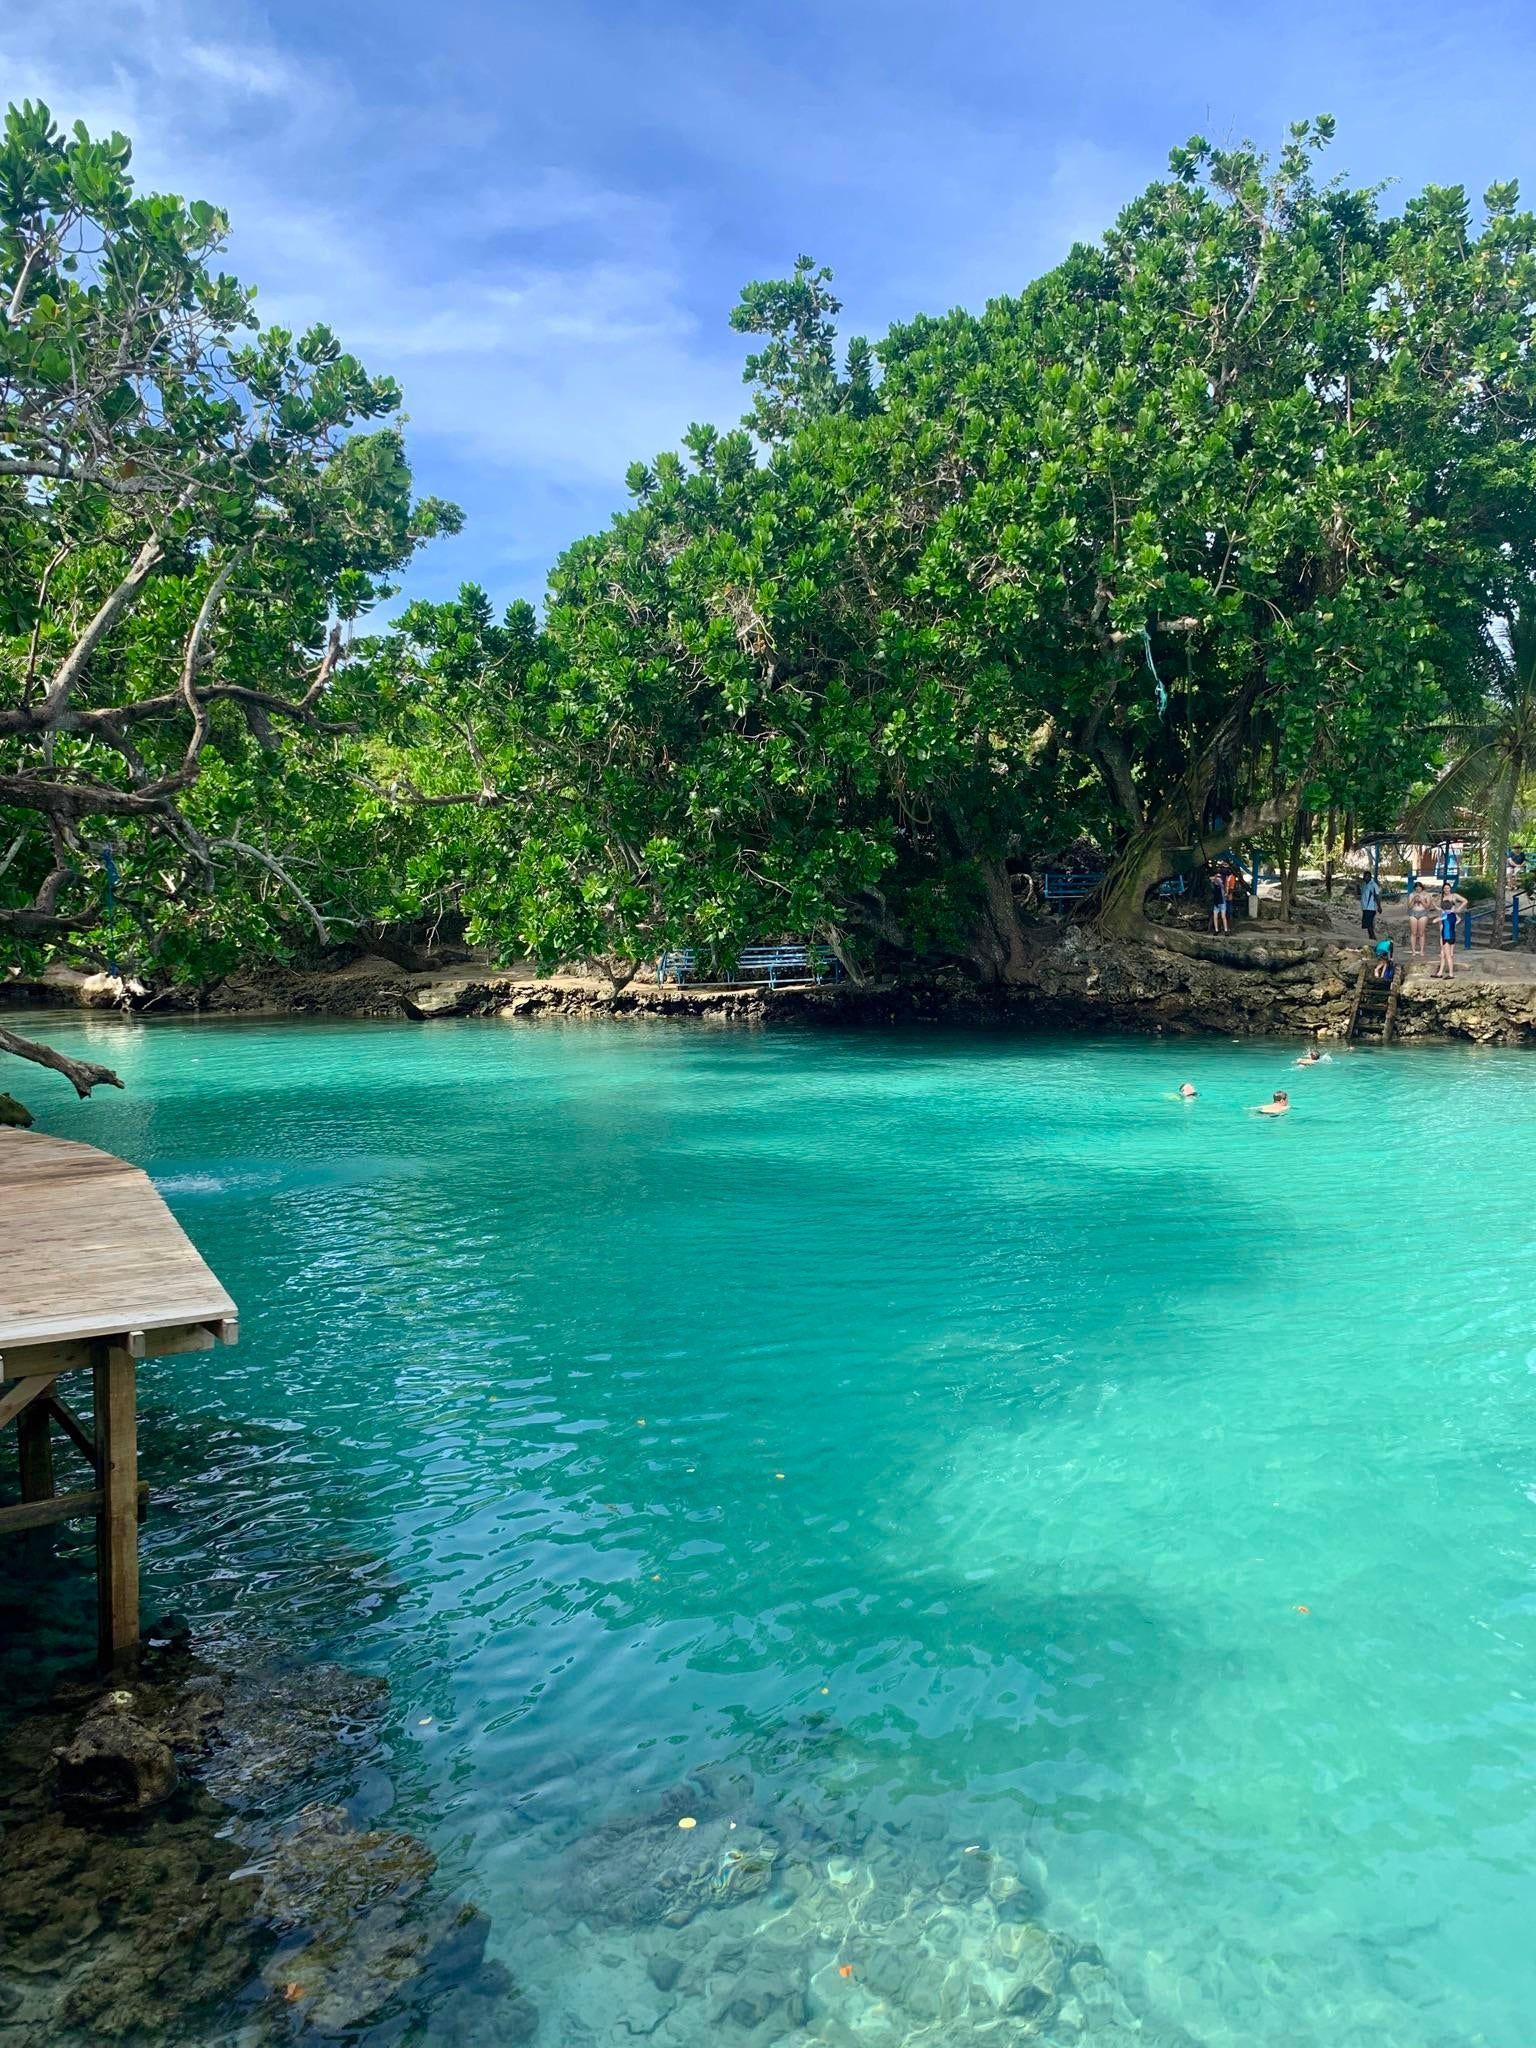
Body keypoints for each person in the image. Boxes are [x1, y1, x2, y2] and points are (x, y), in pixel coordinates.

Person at [1432, 886, 1468, 978]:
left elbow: (1434, 921)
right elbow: (1458, 919)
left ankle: (1451, 974)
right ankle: (1440, 973)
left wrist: (1439, 917)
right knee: (1445, 954)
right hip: (1452, 935)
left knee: (1447, 955)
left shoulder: (1444, 916)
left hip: (1446, 936)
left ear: (1443, 908)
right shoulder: (1453, 915)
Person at [1406, 880, 1435, 958]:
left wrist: (1421, 900)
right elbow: (1409, 906)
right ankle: (1413, 950)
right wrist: (1413, 900)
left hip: (1423, 913)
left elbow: (1427, 906)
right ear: (1415, 888)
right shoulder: (1411, 894)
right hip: (1413, 913)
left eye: (1419, 888)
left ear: (1422, 888)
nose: (1418, 889)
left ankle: (1422, 950)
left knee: (1421, 933)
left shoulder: (1427, 895)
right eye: (1416, 888)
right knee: (1413, 933)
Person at [1359, 871, 1382, 940]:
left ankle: (1373, 938)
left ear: (1369, 877)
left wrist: (1379, 906)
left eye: (1366, 876)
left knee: (1369, 924)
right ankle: (1371, 937)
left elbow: (1377, 896)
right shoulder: (1364, 885)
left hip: (1371, 908)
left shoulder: (1373, 885)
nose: (1364, 877)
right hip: (1365, 907)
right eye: (1364, 876)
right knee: (1368, 924)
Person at [1210, 865, 1229, 934]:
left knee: (1223, 917)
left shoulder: (1221, 885)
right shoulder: (1214, 885)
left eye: (1219, 877)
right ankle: (1216, 930)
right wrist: (1215, 878)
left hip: (1222, 902)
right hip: (1216, 903)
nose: (1218, 879)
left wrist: (1216, 878)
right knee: (1215, 917)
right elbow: (1211, 879)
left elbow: (1218, 882)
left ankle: (1226, 930)